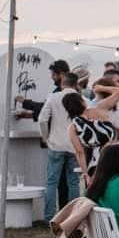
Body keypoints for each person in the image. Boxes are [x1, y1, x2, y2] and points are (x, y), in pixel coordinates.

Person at [40, 67, 83, 222]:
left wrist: (46, 137)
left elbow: (42, 119)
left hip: (55, 144)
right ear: (76, 84)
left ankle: (49, 217)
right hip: (74, 145)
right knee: (74, 182)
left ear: (63, 83)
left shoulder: (53, 97)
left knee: (52, 182)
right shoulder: (81, 99)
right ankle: (73, 216)